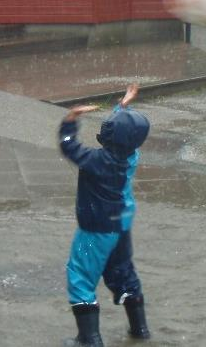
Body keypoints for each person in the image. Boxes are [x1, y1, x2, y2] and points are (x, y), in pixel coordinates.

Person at [59, 84, 151, 347]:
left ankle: (89, 339)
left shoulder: (94, 161)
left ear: (107, 135)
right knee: (123, 274)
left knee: (80, 276)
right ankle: (139, 329)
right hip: (120, 225)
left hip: (96, 229)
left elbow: (68, 147)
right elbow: (124, 132)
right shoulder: (131, 156)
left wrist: (70, 121)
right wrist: (123, 106)